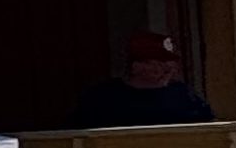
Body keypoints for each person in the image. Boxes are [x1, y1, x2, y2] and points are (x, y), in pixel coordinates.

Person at [73, 30, 216, 128]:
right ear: (136, 66)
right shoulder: (104, 97)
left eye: (171, 62)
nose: (168, 69)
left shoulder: (185, 95)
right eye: (158, 63)